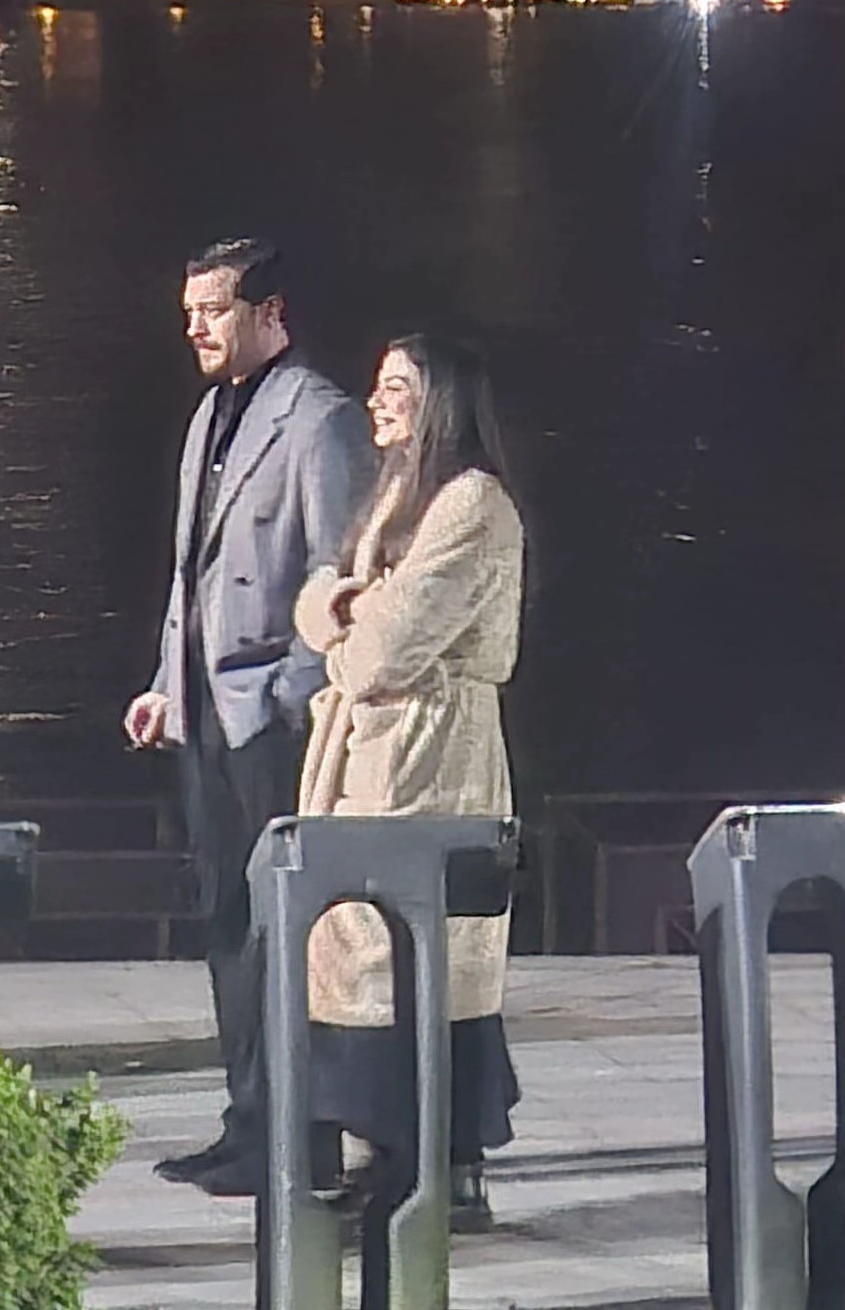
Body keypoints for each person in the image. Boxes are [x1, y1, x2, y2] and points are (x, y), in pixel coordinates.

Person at [123, 238, 374, 1195]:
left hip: (268, 720)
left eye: (213, 310)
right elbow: (188, 576)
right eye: (189, 310)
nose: (195, 326)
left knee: (286, 930)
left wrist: (286, 695)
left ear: (270, 313)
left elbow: (338, 576)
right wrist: (165, 684)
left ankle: (302, 1136)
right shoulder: (207, 415)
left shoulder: (320, 420)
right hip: (203, 716)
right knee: (226, 923)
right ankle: (248, 1123)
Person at [292, 333, 524, 1259]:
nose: (376, 400)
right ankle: (384, 1151)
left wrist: (347, 619)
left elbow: (389, 646)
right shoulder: (398, 494)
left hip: (434, 757)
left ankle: (445, 1165)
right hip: (369, 750)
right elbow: (315, 595)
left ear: (440, 403)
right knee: (356, 953)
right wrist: (350, 612)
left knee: (422, 954)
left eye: (396, 387)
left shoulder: (473, 503)